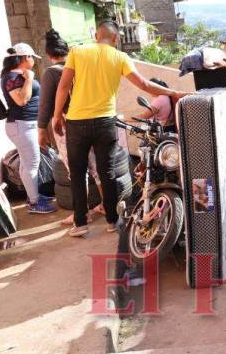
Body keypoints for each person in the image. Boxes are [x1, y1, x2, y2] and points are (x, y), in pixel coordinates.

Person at [53, 20, 188, 237]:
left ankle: (80, 224)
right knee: (107, 173)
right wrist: (174, 93)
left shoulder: (77, 52)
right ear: (116, 39)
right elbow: (144, 84)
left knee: (77, 174)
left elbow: (63, 85)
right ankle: (112, 221)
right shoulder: (120, 57)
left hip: (77, 122)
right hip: (106, 122)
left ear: (96, 36)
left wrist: (57, 115)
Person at [37, 29, 104, 226]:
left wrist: (41, 129)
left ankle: (81, 215)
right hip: (92, 121)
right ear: (68, 51)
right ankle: (107, 206)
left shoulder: (52, 73)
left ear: (49, 55)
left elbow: (45, 105)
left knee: (76, 171)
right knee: (97, 166)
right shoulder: (82, 68)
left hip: (67, 125)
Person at [1, 43, 57, 214]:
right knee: (32, 164)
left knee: (27, 164)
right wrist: (30, 79)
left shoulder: (18, 75)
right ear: (25, 58)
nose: (33, 60)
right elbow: (21, 100)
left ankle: (33, 197)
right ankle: (34, 202)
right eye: (32, 57)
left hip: (25, 125)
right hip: (22, 125)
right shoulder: (13, 77)